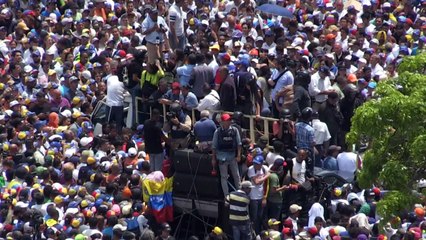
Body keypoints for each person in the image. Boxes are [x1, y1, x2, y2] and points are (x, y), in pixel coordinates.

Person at [212, 113, 242, 196]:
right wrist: (213, 158)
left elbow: (239, 144)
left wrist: (238, 155)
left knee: (236, 175)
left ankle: (239, 192)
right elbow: (214, 146)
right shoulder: (217, 132)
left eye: (229, 120)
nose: (229, 121)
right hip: (222, 157)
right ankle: (226, 195)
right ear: (222, 122)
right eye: (227, 120)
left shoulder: (234, 130)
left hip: (232, 156)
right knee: (224, 177)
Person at [247, 155, 269, 234]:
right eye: (255, 163)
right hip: (253, 197)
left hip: (261, 196)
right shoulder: (251, 169)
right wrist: (266, 176)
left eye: (257, 164)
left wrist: (264, 197)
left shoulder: (264, 168)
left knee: (260, 217)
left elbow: (266, 184)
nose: (256, 165)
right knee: (254, 217)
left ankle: (259, 232)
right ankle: (253, 233)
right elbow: (256, 182)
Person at [106, 60, 127, 133]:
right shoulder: (109, 78)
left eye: (115, 68)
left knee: (119, 125)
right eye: (112, 68)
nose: (114, 70)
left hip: (119, 105)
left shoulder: (124, 78)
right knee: (108, 125)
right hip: (110, 105)